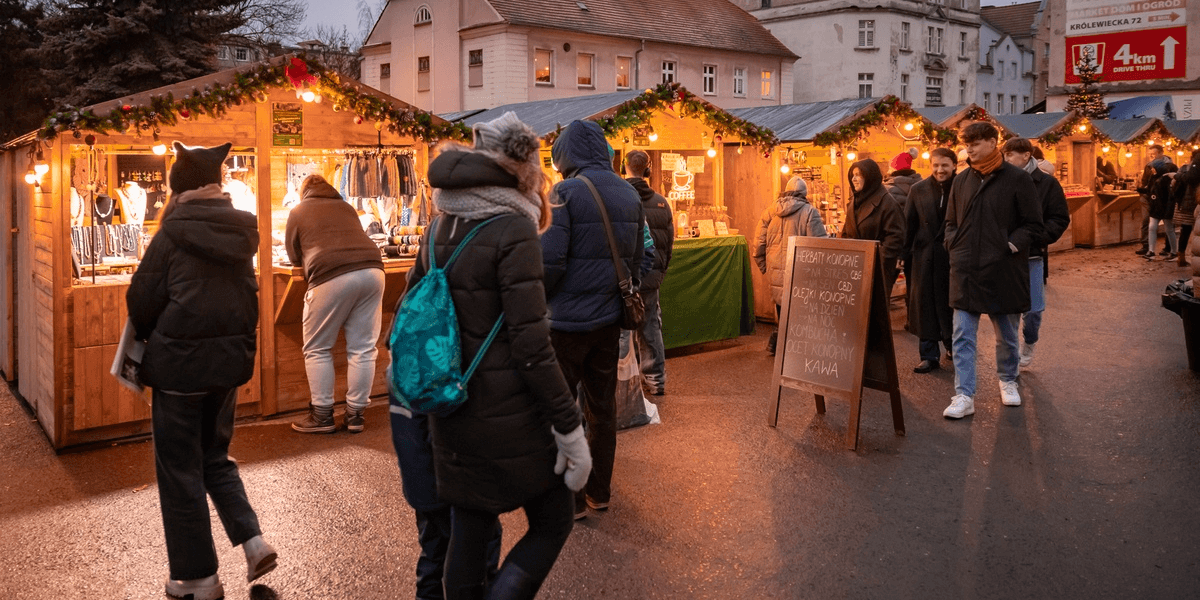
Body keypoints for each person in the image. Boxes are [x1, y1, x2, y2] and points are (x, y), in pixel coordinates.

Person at [406, 112, 592, 599]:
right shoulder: (513, 228)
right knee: (553, 520)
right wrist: (569, 425)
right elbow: (532, 344)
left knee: (470, 524)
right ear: (524, 169)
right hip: (510, 412)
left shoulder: (439, 223)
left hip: (450, 405)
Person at [127, 141, 276, 600]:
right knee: (214, 455)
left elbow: (141, 300)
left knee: (179, 470)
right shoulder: (241, 230)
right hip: (227, 368)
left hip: (179, 371)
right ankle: (253, 541)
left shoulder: (172, 231)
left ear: (179, 184)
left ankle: (197, 579)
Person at [542, 120, 645, 520]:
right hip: (607, 321)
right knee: (602, 409)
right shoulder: (627, 192)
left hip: (564, 324)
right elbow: (637, 260)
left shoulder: (564, 193)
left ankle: (570, 501)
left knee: (562, 409)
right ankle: (598, 492)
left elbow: (548, 262)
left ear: (566, 155)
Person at [942, 122, 1042, 419]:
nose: (968, 149)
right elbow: (950, 222)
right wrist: (953, 245)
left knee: (1007, 336)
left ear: (992, 142)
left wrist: (1011, 246)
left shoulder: (1017, 180)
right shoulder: (961, 180)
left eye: (974, 143)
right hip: (966, 270)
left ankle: (1008, 380)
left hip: (1003, 269)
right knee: (962, 336)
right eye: (966, 144)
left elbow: (1033, 224)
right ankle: (964, 394)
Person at [286, 174, 385, 433]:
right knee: (363, 349)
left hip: (330, 274)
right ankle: (355, 416)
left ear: (303, 192)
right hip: (373, 271)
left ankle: (322, 416)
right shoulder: (346, 207)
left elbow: (293, 254)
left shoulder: (298, 210)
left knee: (318, 348)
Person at [1002, 137, 1070, 369]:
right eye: (1005, 154)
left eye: (1010, 154)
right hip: (1006, 254)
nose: (1006, 158)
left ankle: (1029, 341)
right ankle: (1010, 361)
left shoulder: (1047, 184)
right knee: (1008, 311)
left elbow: (1059, 218)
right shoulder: (1001, 181)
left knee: (1033, 311)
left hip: (1032, 256)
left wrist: (1038, 238)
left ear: (1026, 156)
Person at [754, 175, 828, 355]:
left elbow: (758, 245)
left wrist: (766, 267)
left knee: (781, 306)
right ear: (804, 194)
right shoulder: (810, 212)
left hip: (775, 270)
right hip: (800, 271)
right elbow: (819, 246)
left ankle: (779, 344)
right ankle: (794, 348)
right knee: (800, 309)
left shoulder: (770, 212)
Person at [623, 149, 673, 395]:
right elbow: (670, 243)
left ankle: (626, 382)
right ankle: (656, 380)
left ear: (624, 168)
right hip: (652, 277)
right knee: (651, 326)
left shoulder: (616, 199)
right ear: (649, 169)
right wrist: (660, 272)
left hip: (625, 276)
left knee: (623, 329)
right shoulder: (662, 202)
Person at [903, 147, 956, 373]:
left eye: (944, 165)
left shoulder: (962, 187)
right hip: (924, 256)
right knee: (924, 306)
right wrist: (904, 256)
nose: (939, 170)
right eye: (935, 165)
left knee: (952, 304)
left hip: (952, 257)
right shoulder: (918, 189)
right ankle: (928, 355)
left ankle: (953, 346)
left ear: (954, 165)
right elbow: (909, 225)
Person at [841, 159, 906, 299]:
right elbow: (846, 232)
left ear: (870, 176)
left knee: (874, 313)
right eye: (853, 174)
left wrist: (875, 260)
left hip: (878, 272)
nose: (854, 178)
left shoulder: (887, 203)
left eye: (859, 174)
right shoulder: (854, 202)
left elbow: (896, 238)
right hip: (854, 270)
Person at [1135, 145, 1174, 255]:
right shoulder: (1149, 165)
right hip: (1148, 196)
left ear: (1161, 153)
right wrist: (1143, 190)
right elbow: (1145, 181)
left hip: (1163, 198)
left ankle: (1168, 247)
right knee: (1146, 220)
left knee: (1167, 223)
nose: (1152, 156)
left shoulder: (1170, 166)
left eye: (1154, 154)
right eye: (1150, 154)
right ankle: (1146, 246)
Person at [1143, 151, 1180, 261]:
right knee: (1152, 227)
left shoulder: (1166, 179)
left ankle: (1174, 252)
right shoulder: (1154, 178)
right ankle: (1151, 251)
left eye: (1153, 168)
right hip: (1156, 207)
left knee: (1169, 229)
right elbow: (1150, 190)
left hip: (1164, 207)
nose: (1152, 170)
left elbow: (1169, 196)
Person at [1172, 150, 1200, 266]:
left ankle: (1181, 257)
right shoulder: (1192, 171)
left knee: (1186, 230)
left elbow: (1173, 186)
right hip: (1193, 203)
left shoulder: (1184, 169)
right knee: (1195, 232)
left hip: (1185, 204)